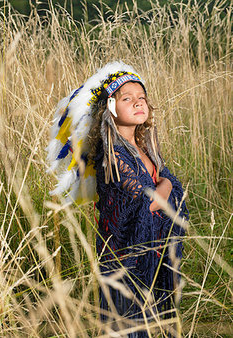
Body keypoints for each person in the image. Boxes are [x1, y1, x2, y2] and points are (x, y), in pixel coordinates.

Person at [47, 61, 188, 337]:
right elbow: (152, 199)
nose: (138, 103)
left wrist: (167, 182)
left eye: (142, 98)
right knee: (127, 325)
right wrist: (166, 183)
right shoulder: (112, 157)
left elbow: (172, 184)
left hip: (152, 251)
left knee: (147, 321)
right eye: (127, 99)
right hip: (125, 258)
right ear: (110, 108)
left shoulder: (146, 147)